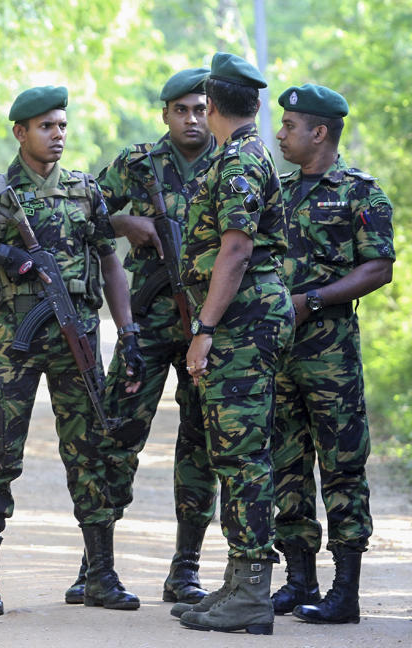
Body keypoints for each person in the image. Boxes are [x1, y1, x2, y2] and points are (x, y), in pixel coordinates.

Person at [0, 86, 145, 617]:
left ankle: (100, 575)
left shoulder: (85, 190)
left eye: (63, 126)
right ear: (20, 132)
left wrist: (129, 330)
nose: (58, 136)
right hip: (13, 345)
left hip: (78, 342)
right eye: (47, 126)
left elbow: (110, 262)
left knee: (91, 451)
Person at [62, 68, 219, 607]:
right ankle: (94, 566)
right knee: (116, 437)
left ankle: (185, 569)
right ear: (165, 115)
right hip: (149, 322)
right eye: (182, 110)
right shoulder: (137, 163)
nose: (192, 119)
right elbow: (83, 218)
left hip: (208, 324)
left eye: (201, 109)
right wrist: (124, 222)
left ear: (212, 110)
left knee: (200, 444)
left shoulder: (232, 163)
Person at [172, 52, 294, 635]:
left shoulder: (241, 161)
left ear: (212, 106)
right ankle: (237, 582)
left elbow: (237, 249)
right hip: (246, 320)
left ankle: (251, 593)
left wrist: (205, 330)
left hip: (242, 323)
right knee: (232, 453)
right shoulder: (237, 154)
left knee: (242, 457)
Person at [269, 84, 394, 624]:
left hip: (331, 357)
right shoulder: (277, 191)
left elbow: (379, 267)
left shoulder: (362, 194)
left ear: (319, 131)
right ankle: (299, 581)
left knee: (342, 468)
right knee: (286, 466)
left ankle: (345, 592)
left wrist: (313, 299)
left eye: (290, 126)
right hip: (278, 354)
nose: (280, 134)